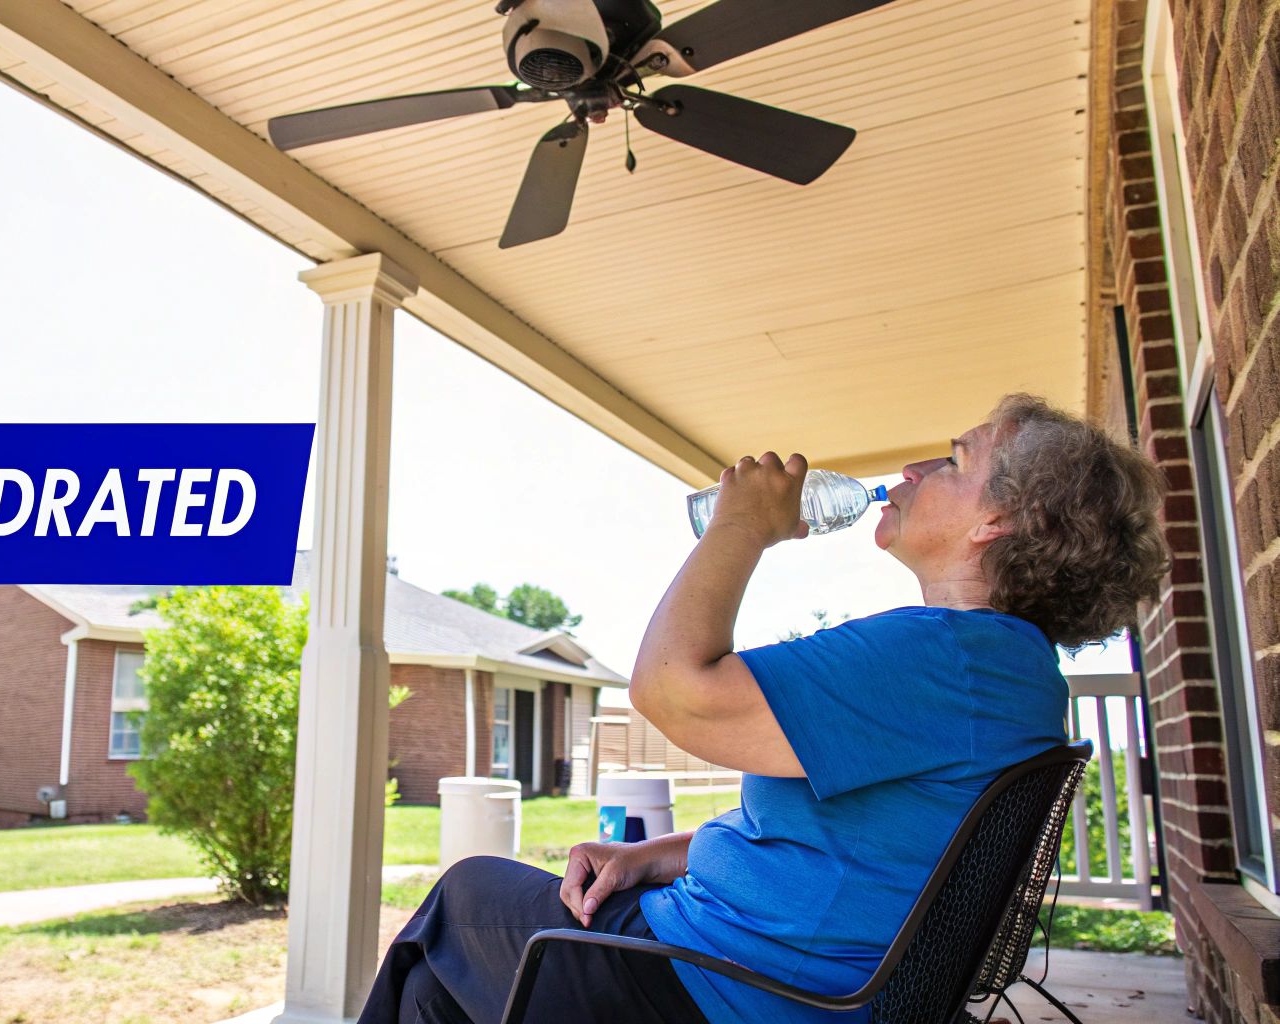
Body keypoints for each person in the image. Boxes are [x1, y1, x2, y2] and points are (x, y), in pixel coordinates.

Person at [358, 394, 1170, 1024]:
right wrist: (656, 855)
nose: (917, 469)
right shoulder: (1006, 672)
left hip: (716, 990)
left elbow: (674, 691)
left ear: (1002, 520)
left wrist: (739, 526)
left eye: (957, 460)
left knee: (459, 907)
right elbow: (851, 842)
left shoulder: (945, 656)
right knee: (448, 985)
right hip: (769, 975)